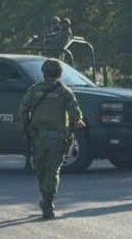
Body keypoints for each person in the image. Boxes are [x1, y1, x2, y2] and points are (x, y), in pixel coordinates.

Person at [18, 59, 85, 219]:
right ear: (60, 73)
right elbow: (76, 115)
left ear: (44, 72)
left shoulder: (34, 90)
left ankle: (46, 198)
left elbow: (22, 110)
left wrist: (25, 128)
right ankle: (48, 200)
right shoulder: (64, 92)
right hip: (58, 138)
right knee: (53, 170)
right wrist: (77, 124)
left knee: (40, 168)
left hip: (38, 137)